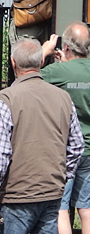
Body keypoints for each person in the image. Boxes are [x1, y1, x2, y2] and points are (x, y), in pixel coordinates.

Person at [0, 38, 84, 234]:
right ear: (41, 63)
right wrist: (62, 176)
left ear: (13, 63)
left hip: (16, 197)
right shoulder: (64, 98)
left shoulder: (6, 99)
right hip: (51, 193)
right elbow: (77, 146)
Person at [40, 23, 90, 234]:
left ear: (66, 47)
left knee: (60, 208)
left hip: (65, 151)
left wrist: (44, 51)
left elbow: (25, 76)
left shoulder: (55, 72)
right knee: (86, 207)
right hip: (89, 150)